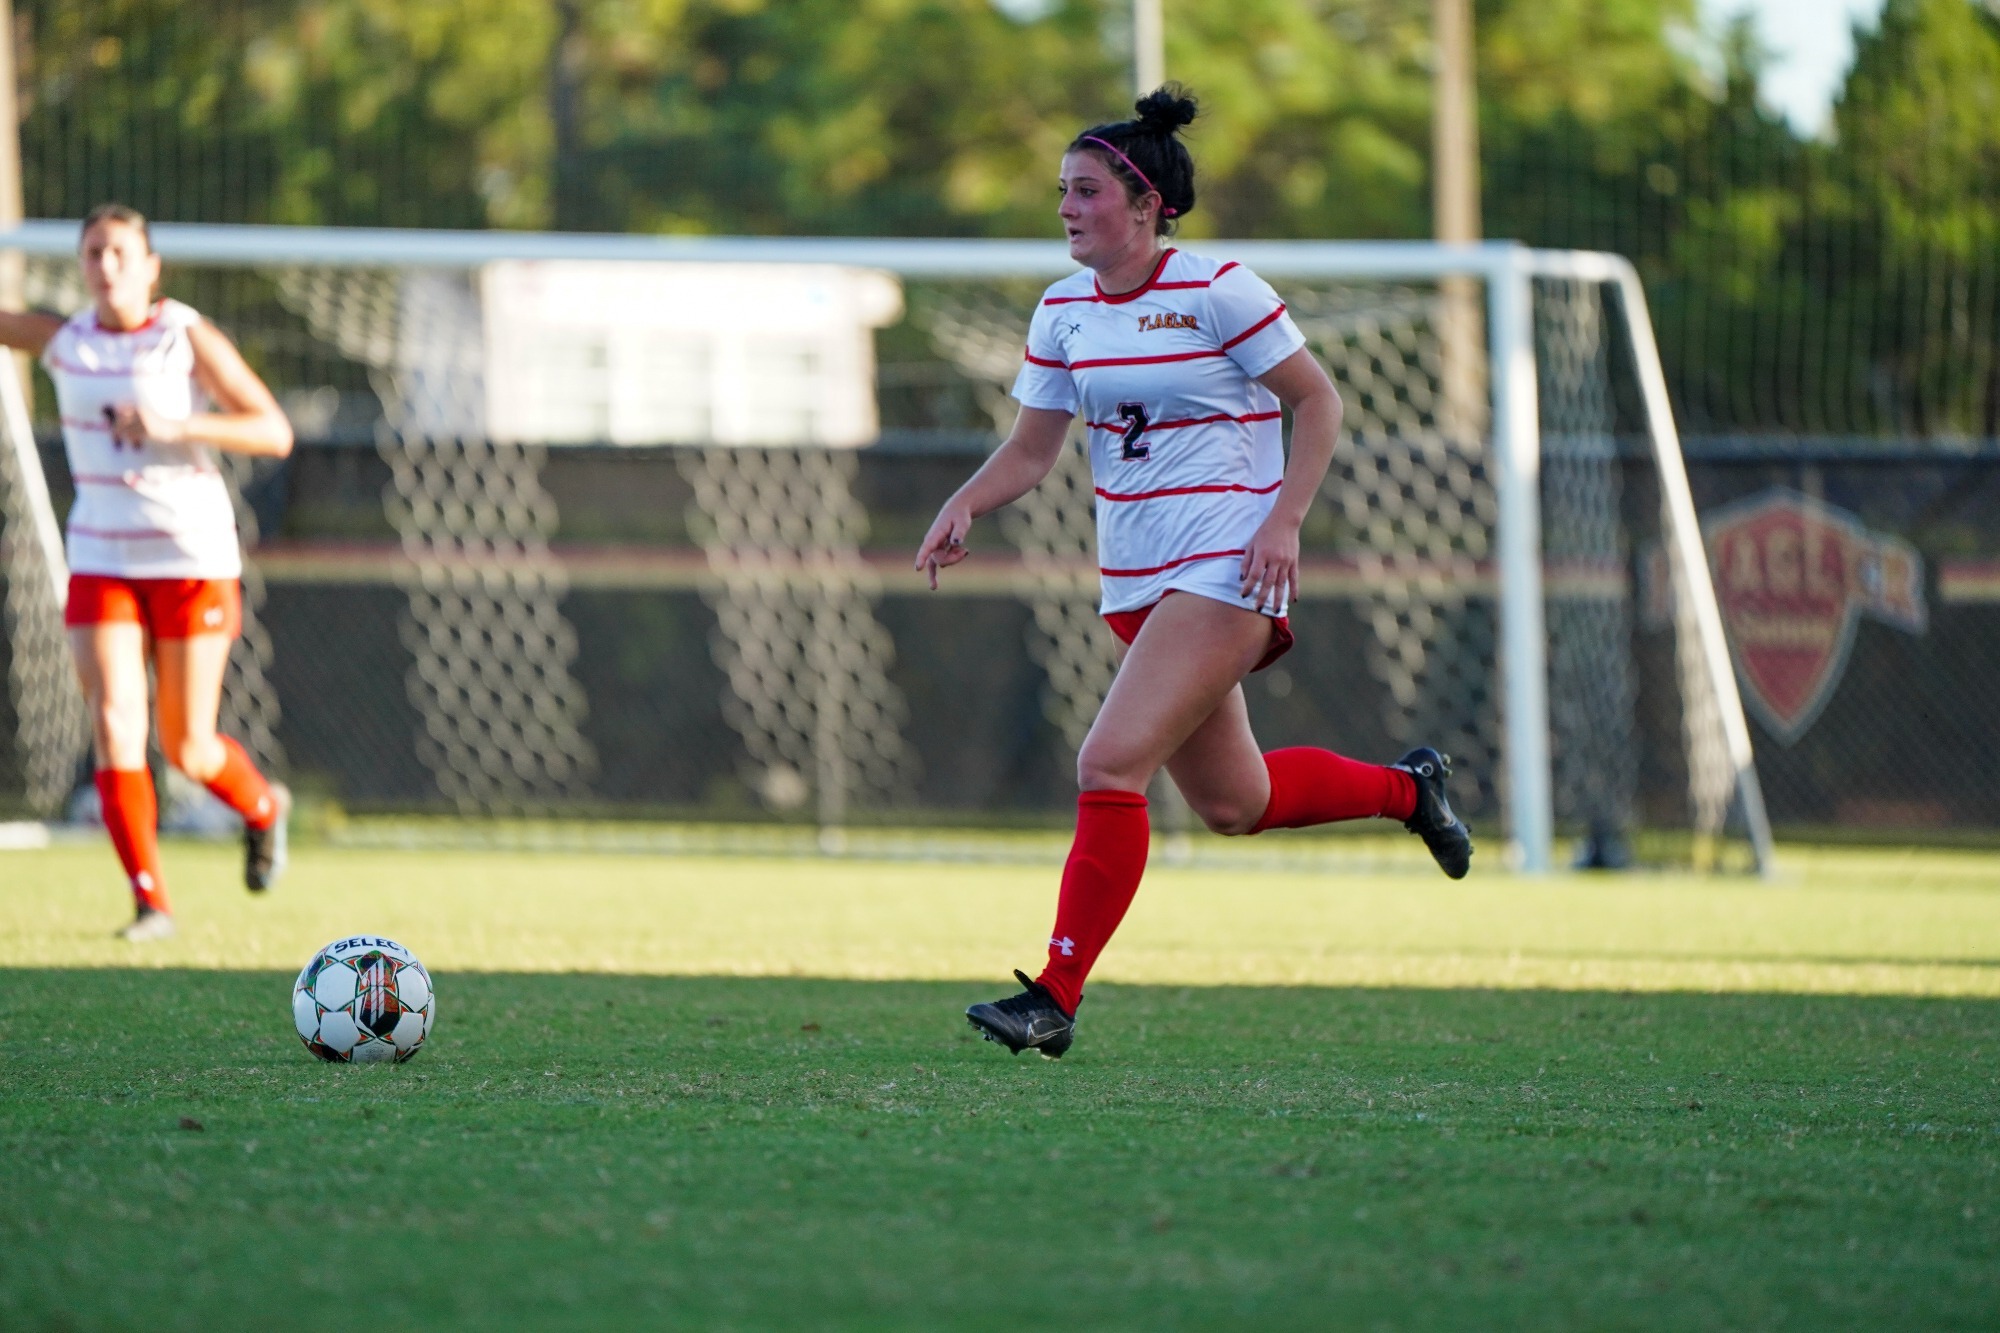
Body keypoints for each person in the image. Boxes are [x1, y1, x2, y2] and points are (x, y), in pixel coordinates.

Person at [913, 89, 1473, 1059]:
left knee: (1106, 763)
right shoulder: (1062, 309)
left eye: (1084, 191)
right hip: (1135, 578)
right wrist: (965, 502)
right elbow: (1031, 450)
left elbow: (1319, 404)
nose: (1064, 208)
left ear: (1145, 204)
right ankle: (1406, 790)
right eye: (1060, 191)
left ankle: (1053, 993)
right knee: (1233, 804)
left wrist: (1283, 523)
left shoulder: (1217, 287)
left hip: (1226, 565)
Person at [0, 203, 295, 941]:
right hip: (103, 556)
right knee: (113, 722)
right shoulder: (66, 343)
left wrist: (177, 426)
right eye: (94, 252)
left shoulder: (181, 336)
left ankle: (263, 808)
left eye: (120, 252)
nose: (106, 265)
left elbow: (273, 430)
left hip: (190, 555)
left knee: (189, 745)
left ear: (151, 265)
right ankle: (150, 902)